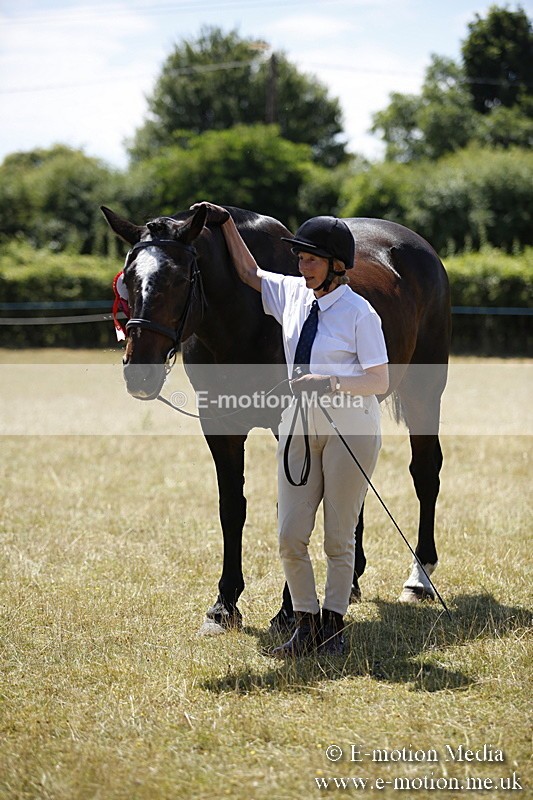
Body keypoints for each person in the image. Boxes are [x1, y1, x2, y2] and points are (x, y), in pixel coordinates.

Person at [191, 203, 389, 657]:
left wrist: (332, 382)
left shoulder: (361, 314)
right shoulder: (294, 295)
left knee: (339, 537)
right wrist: (223, 223)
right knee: (290, 534)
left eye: (311, 259)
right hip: (298, 425)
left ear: (337, 265)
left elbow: (380, 381)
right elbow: (248, 272)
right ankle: (303, 623)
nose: (301, 266)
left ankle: (333, 628)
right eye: (299, 258)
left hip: (349, 427)